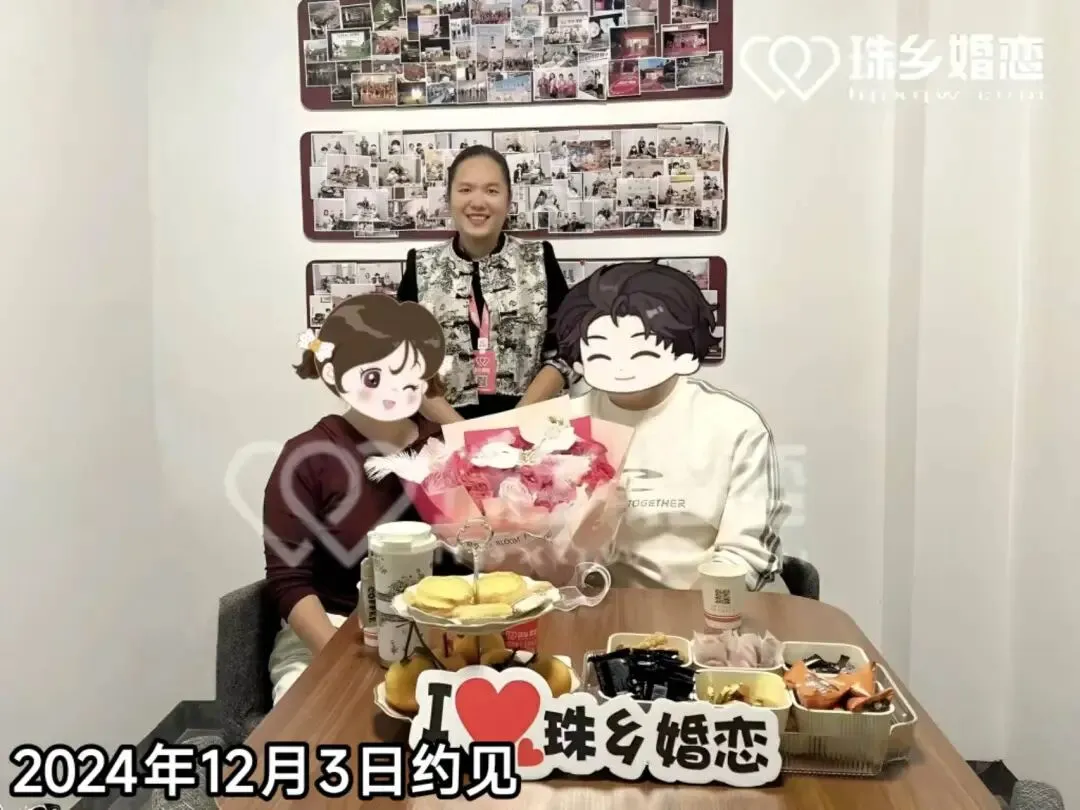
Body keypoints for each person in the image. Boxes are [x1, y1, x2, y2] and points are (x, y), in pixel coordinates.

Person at [262, 295, 465, 704]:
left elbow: (484, 549)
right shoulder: (308, 457)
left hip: (444, 631)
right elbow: (288, 581)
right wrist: (341, 661)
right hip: (333, 631)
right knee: (317, 728)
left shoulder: (445, 446)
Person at [555, 262, 790, 592]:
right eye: (603, 355)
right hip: (595, 603)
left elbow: (747, 552)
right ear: (580, 362)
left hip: (703, 606)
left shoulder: (733, 424)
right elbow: (539, 554)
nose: (621, 368)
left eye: (641, 353)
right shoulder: (560, 426)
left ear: (685, 355)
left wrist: (698, 609)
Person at [396, 144, 572, 423]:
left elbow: (566, 351)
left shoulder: (539, 259)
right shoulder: (421, 265)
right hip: (443, 430)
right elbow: (405, 363)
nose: (478, 202)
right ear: (448, 198)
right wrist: (461, 433)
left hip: (530, 426)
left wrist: (514, 425)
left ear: (509, 200)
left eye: (491, 190)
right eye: (465, 189)